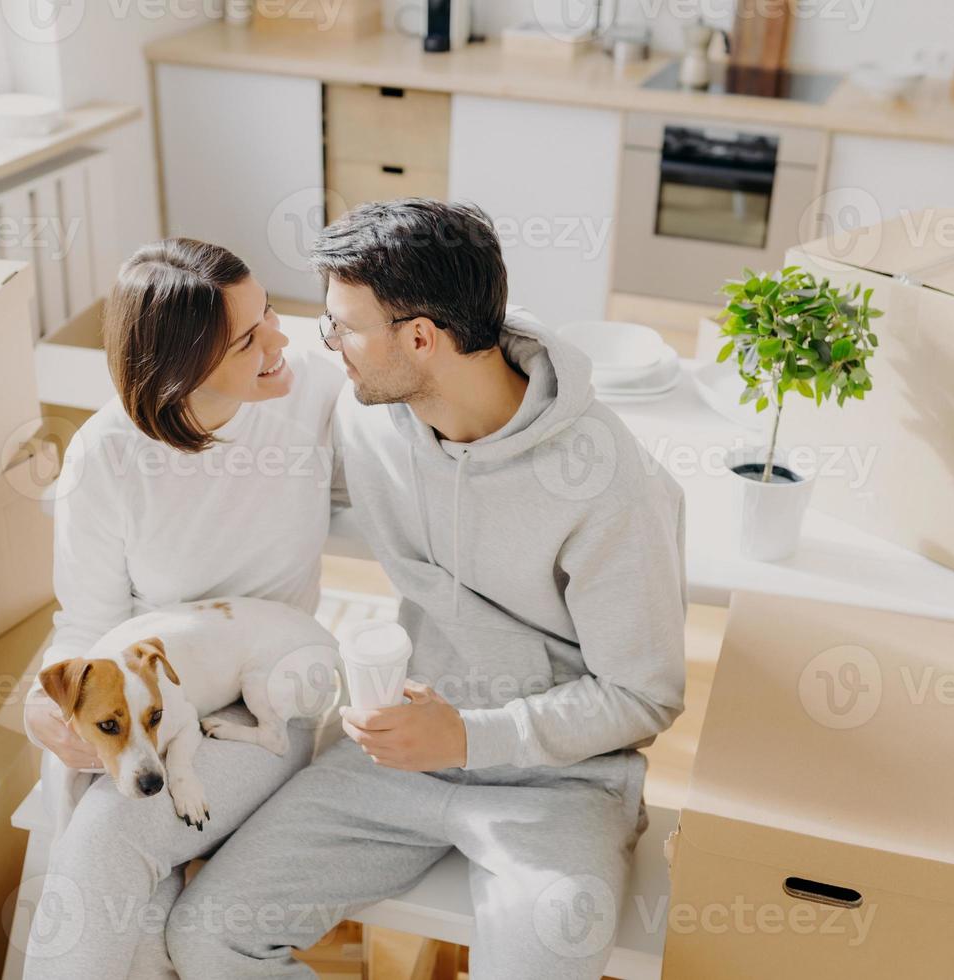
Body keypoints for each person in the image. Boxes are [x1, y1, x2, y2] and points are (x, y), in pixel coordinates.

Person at [166, 200, 688, 980]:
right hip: (393, 754)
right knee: (207, 939)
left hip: (560, 785)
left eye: (341, 327)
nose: (327, 343)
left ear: (419, 338)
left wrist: (472, 737)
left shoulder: (610, 481)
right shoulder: (368, 413)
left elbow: (645, 697)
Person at [20, 238, 344, 979]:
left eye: (269, 314)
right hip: (141, 704)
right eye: (249, 338)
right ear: (182, 371)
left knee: (107, 847)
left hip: (263, 698)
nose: (279, 340)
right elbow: (83, 624)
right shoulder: (106, 454)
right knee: (137, 937)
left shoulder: (314, 394)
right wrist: (43, 712)